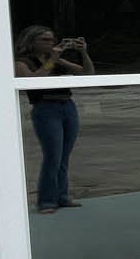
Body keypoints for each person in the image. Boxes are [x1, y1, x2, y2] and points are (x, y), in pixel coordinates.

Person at [14, 26, 94, 214]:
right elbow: (33, 81)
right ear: (31, 42)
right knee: (53, 156)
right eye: (44, 40)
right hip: (45, 109)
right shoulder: (23, 63)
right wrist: (53, 59)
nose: (50, 43)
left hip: (68, 107)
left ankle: (63, 196)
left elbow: (88, 73)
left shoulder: (58, 60)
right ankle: (47, 201)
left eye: (51, 40)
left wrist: (83, 52)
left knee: (64, 156)